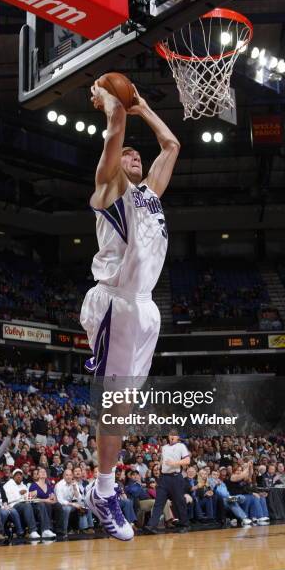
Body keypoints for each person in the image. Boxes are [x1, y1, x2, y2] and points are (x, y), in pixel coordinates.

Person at [82, 80, 180, 541]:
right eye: (127, 155)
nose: (134, 157)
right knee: (114, 404)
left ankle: (103, 487)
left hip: (145, 310)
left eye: (138, 157)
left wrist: (142, 106)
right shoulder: (109, 190)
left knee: (124, 410)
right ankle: (103, 491)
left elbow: (172, 143)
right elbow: (115, 130)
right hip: (115, 304)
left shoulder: (151, 197)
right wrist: (113, 102)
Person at [145, 431, 190, 534]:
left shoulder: (181, 446)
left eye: (174, 435)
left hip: (175, 477)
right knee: (159, 502)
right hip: (164, 478)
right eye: (170, 435)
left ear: (177, 437)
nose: (172, 437)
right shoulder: (164, 447)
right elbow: (163, 460)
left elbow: (187, 461)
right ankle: (152, 526)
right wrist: (159, 465)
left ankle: (185, 524)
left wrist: (174, 463)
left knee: (179, 502)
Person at [2, 469, 40, 540]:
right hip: (14, 505)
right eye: (17, 475)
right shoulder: (8, 485)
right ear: (13, 477)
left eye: (20, 475)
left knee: (40, 505)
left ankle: (45, 529)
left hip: (25, 504)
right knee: (27, 505)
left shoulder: (23, 485)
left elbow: (27, 497)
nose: (19, 476)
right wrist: (19, 494)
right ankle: (33, 531)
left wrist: (32, 496)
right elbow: (8, 499)